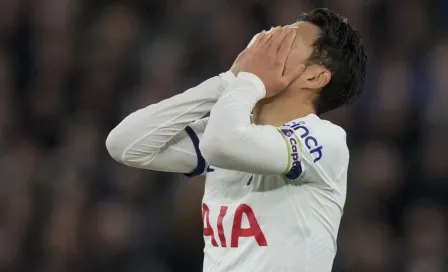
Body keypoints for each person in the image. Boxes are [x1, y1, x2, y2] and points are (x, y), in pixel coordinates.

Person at [106, 8, 366, 272]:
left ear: (315, 77)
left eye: (288, 39)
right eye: (278, 30)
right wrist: (226, 81)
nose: (269, 37)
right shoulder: (232, 127)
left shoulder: (326, 139)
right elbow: (125, 144)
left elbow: (220, 145)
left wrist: (248, 81)